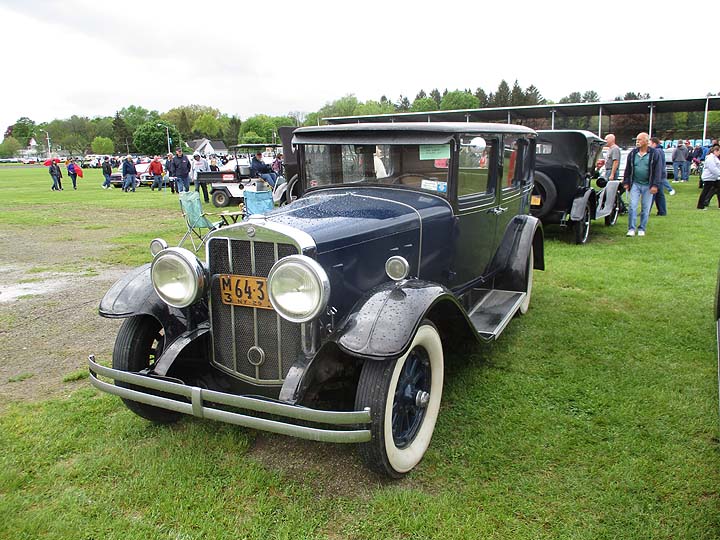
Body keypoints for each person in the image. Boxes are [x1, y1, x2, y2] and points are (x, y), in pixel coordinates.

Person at [623, 132, 661, 237]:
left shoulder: (654, 154)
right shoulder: (632, 153)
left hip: (648, 185)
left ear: (646, 141)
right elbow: (628, 169)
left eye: (639, 140)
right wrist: (626, 182)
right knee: (632, 206)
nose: (637, 142)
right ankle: (631, 228)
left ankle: (642, 228)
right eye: (636, 140)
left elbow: (658, 170)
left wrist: (655, 185)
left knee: (645, 207)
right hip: (635, 183)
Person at [650, 137, 675, 216]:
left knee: (652, 194)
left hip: (658, 175)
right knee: (659, 194)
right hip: (660, 175)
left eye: (649, 143)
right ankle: (662, 211)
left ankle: (646, 211)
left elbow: (658, 165)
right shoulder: (660, 151)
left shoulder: (657, 152)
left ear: (654, 143)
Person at [697, 144, 720, 209]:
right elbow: (712, 168)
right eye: (719, 151)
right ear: (715, 151)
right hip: (709, 178)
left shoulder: (714, 158)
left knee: (718, 190)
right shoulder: (710, 158)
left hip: (714, 177)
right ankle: (700, 205)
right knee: (705, 191)